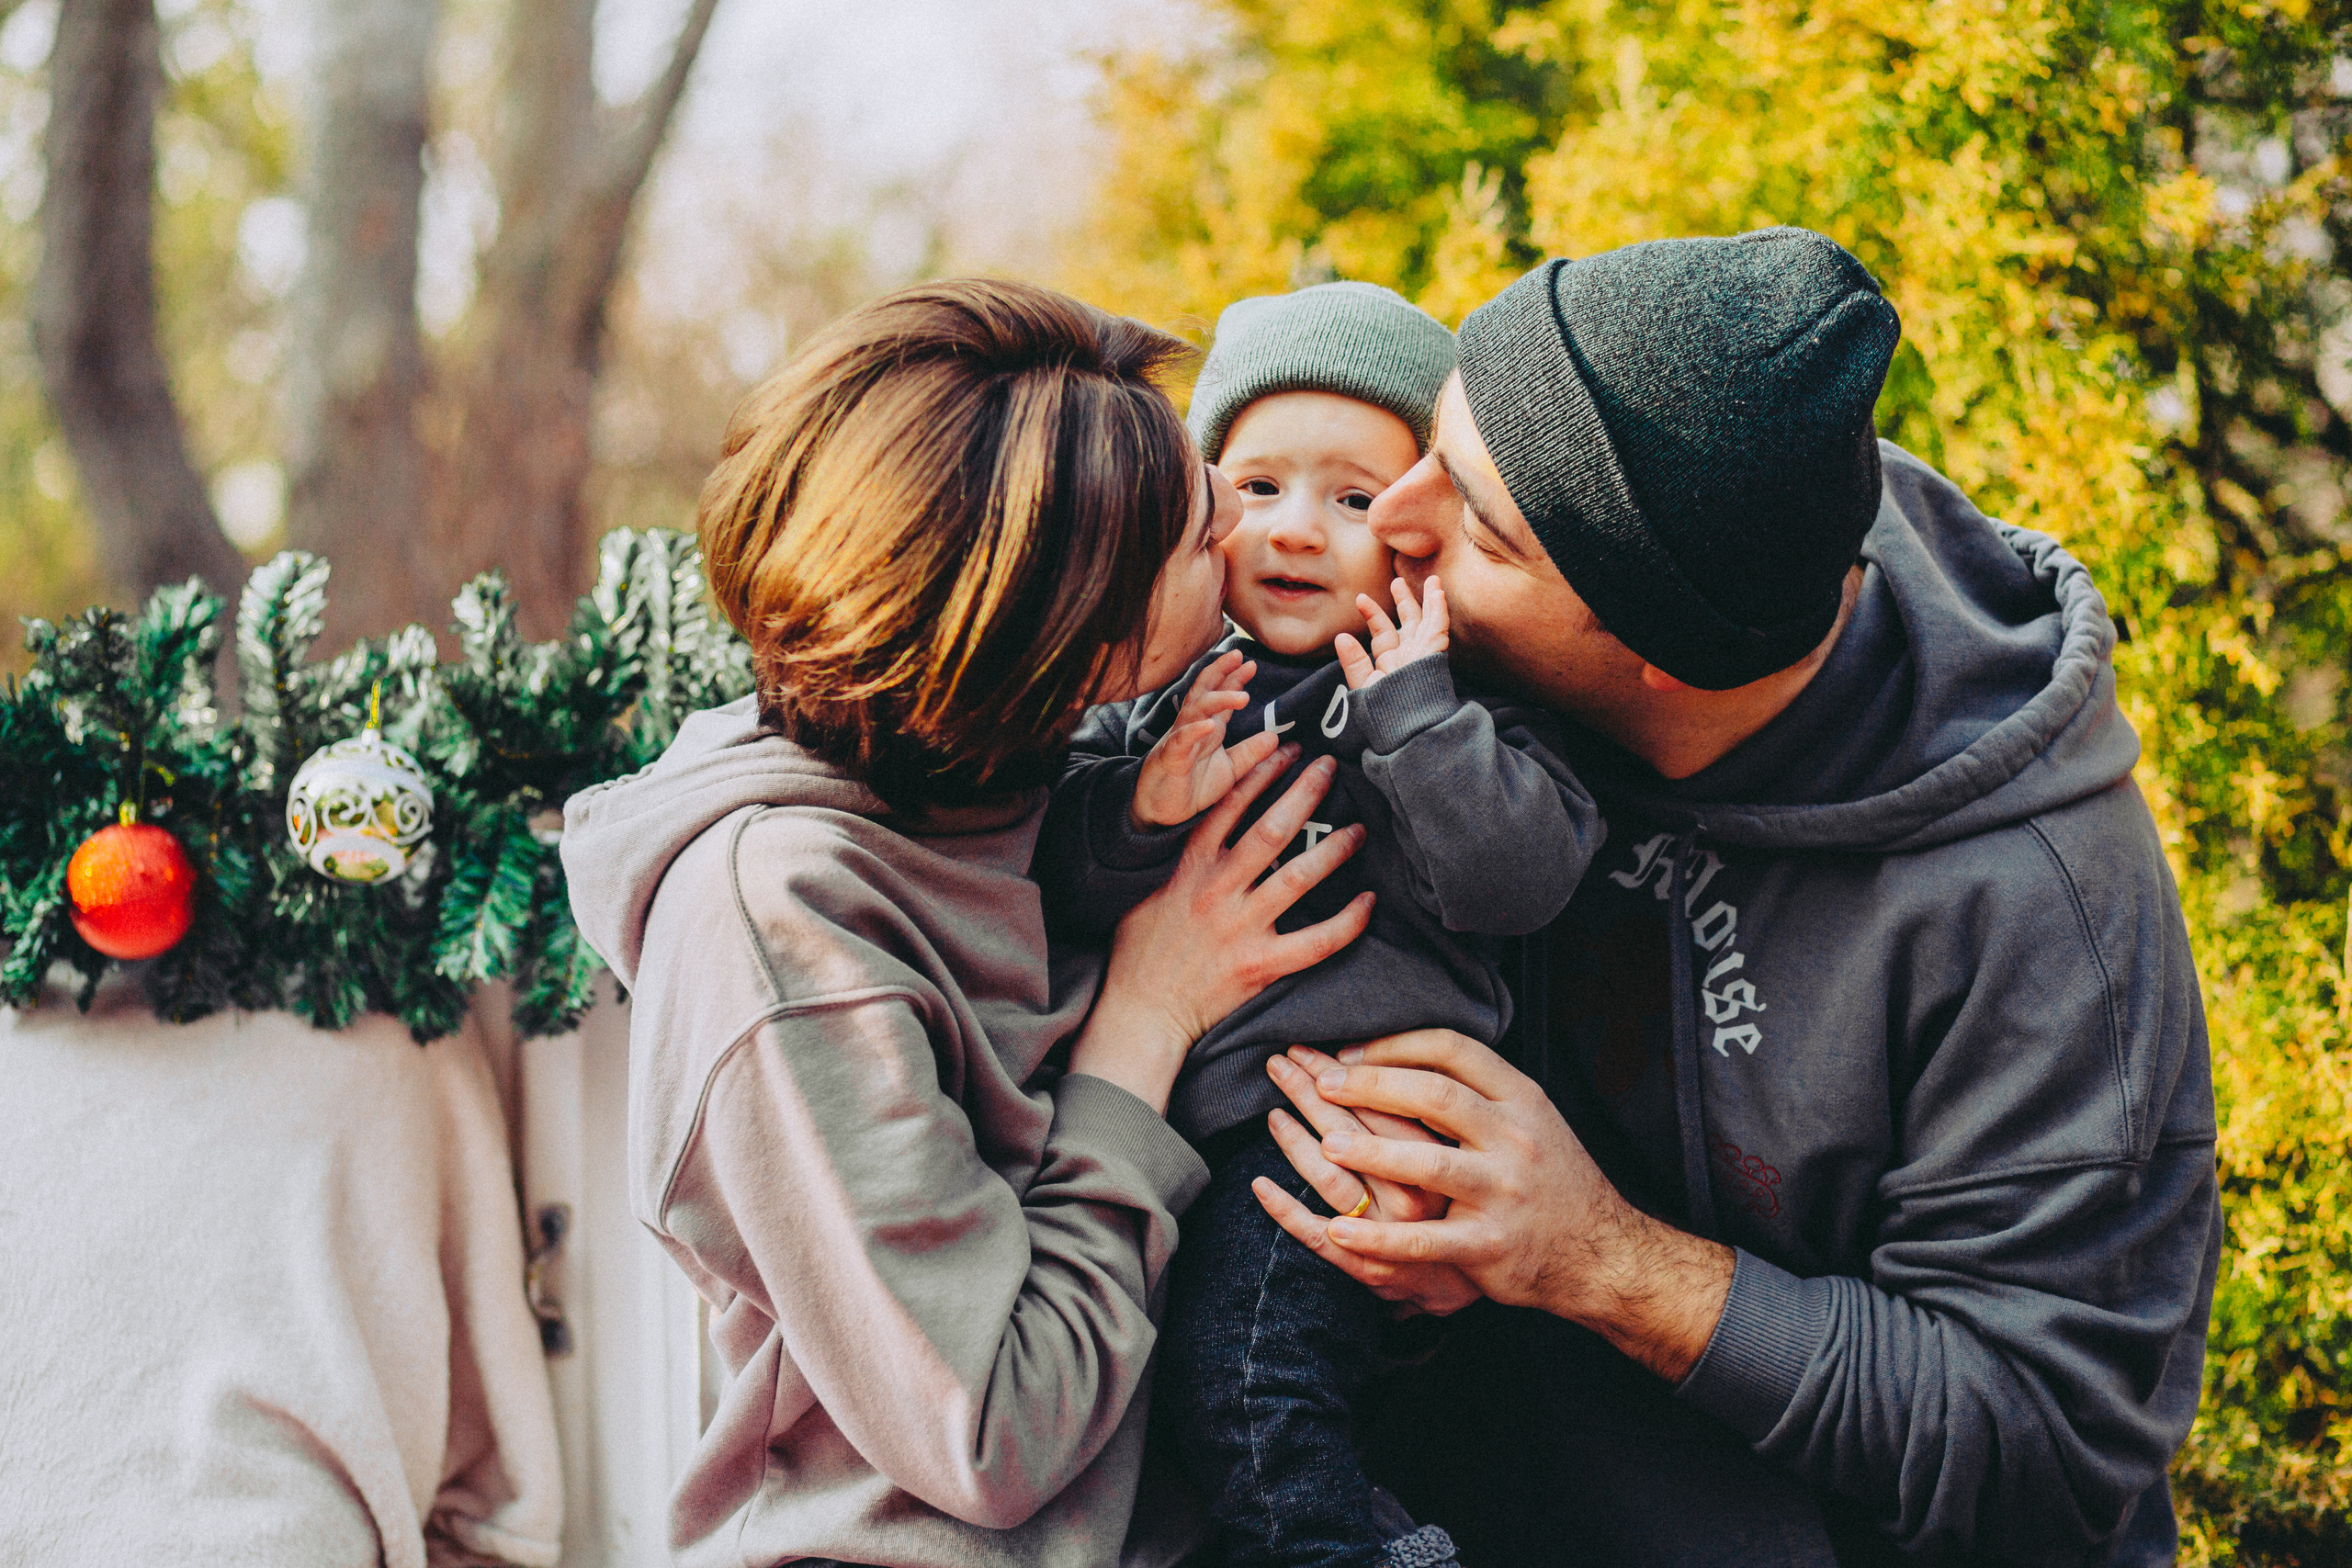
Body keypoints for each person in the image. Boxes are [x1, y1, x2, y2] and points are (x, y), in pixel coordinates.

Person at [1250, 229, 2222, 1566]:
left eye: (1475, 521)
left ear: (1655, 660)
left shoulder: (2035, 909)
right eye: (1435, 443)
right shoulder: (1519, 609)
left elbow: (2043, 1450)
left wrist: (1598, 1260)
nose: (1391, 520)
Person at [561, 278, 1380, 1568]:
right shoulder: (780, 926)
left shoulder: (1035, 772)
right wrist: (1150, 1015)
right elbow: (993, 1431)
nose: (1238, 511)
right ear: (1074, 644)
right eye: (1190, 526)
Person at [1036, 282, 1601, 1568]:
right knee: (1219, 1418)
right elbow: (1057, 880)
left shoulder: (1459, 708)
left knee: (1251, 1393)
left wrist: (1412, 716)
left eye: (1353, 500)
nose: (1298, 532)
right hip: (1182, 1136)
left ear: (1416, 529)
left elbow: (1518, 880)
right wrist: (1135, 810)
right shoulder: (1172, 692)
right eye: (1259, 487)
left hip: (1337, 1130)